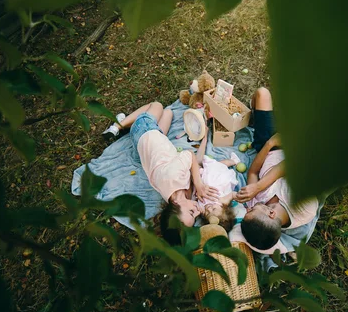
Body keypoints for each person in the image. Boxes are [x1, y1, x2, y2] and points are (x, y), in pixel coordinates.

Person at [101, 102, 219, 244]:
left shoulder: (172, 178)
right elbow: (197, 166)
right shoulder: (180, 198)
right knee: (168, 112)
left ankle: (117, 126)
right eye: (195, 216)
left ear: (175, 204)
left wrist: (199, 184)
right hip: (152, 144)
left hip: (144, 132)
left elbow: (190, 155)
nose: (198, 211)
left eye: (192, 212)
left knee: (157, 105)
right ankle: (125, 124)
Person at [236, 88, 318, 250]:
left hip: (268, 147)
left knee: (262, 93)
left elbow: (252, 172)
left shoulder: (258, 204)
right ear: (271, 214)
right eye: (252, 210)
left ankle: (259, 117)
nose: (249, 207)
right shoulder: (303, 207)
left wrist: (269, 144)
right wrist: (259, 186)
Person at [192, 128, 244, 232]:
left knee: (204, 165)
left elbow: (196, 206)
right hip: (219, 177)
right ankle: (233, 161)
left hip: (205, 179)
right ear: (225, 209)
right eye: (214, 209)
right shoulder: (222, 202)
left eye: (207, 213)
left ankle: (205, 140)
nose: (209, 208)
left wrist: (200, 211)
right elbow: (234, 194)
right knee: (221, 165)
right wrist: (233, 197)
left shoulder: (201, 209)